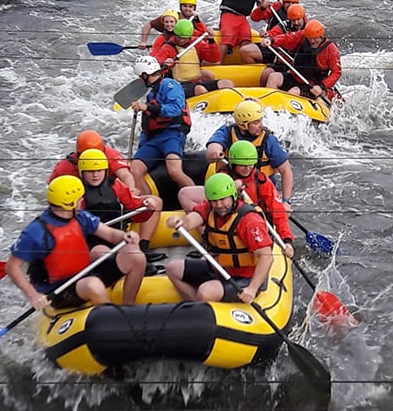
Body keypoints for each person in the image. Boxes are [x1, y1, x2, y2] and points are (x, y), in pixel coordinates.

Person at [5, 175, 145, 311]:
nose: (82, 200)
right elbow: (12, 267)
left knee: (135, 256)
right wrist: (34, 296)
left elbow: (110, 234)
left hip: (84, 272)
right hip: (58, 289)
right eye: (79, 198)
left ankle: (128, 308)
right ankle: (110, 320)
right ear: (70, 202)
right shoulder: (36, 231)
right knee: (93, 284)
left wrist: (125, 236)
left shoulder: (80, 216)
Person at [163, 174, 276, 304]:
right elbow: (191, 221)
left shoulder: (249, 220)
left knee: (205, 291)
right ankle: (195, 306)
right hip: (219, 268)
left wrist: (252, 289)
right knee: (172, 268)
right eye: (214, 201)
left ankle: (202, 308)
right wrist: (180, 222)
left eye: (223, 200)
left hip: (245, 277)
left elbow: (266, 256)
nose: (219, 205)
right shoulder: (210, 208)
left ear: (233, 196)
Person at [72, 148, 164, 265]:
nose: (95, 175)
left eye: (99, 170)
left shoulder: (115, 185)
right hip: (91, 243)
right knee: (103, 253)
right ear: (82, 172)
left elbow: (134, 207)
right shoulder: (76, 192)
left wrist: (146, 206)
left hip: (118, 237)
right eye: (90, 171)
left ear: (105, 170)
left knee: (137, 255)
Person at [205, 98, 294, 201]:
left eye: (261, 120)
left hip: (261, 192)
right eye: (256, 123)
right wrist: (215, 151)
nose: (260, 125)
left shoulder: (269, 140)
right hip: (230, 189)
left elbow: (286, 171)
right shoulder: (227, 132)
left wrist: (286, 201)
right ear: (243, 125)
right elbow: (212, 149)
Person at [129, 54, 194, 189]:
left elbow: (175, 108)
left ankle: (199, 200)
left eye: (140, 77)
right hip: (153, 139)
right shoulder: (151, 94)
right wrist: (142, 145)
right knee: (135, 170)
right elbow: (148, 125)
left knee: (174, 171)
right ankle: (148, 205)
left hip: (172, 134)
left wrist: (147, 107)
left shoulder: (170, 85)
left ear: (145, 75)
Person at [261, 20, 341, 101]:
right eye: (310, 39)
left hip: (312, 85)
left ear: (321, 36)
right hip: (296, 76)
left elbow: (336, 72)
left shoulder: (331, 49)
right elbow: (288, 38)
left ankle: (281, 109)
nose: (312, 41)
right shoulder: (303, 35)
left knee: (294, 91)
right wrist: (272, 40)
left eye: (315, 38)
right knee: (273, 77)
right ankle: (269, 104)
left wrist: (321, 86)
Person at [152, 18, 222, 97]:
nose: (181, 40)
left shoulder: (196, 43)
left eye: (184, 38)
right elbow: (155, 69)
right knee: (201, 90)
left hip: (196, 81)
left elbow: (214, 59)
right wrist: (165, 66)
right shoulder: (167, 48)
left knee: (225, 83)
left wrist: (211, 41)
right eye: (179, 37)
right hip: (178, 85)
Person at [51, 129, 139, 191]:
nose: (95, 174)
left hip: (106, 191)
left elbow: (125, 175)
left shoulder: (110, 155)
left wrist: (131, 190)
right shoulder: (65, 167)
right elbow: (52, 186)